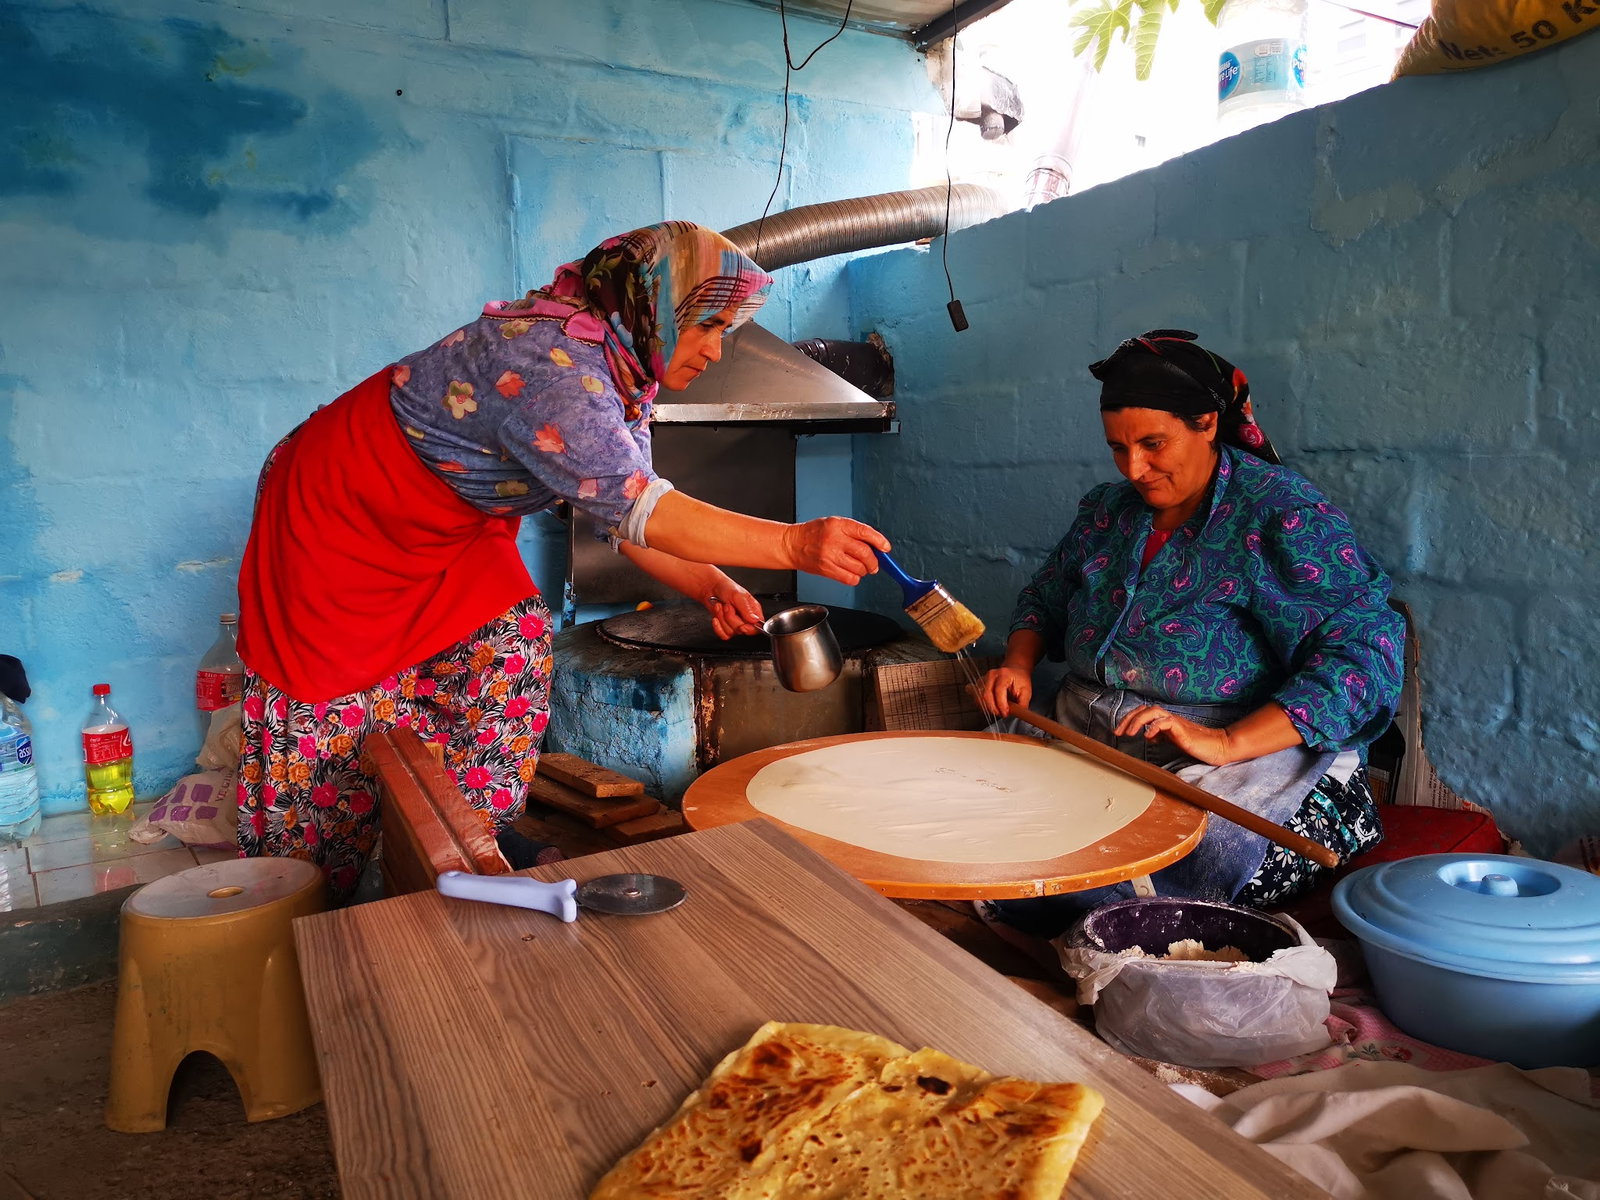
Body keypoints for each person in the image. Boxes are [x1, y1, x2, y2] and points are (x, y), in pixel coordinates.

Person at [236, 221, 889, 900]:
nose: (718, 351)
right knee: (330, 722)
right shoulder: (556, 369)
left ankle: (477, 836)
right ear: (655, 304)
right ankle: (311, 896)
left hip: (446, 524)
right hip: (339, 512)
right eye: (710, 325)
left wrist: (705, 581)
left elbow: (623, 511)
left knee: (509, 641)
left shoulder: (623, 367)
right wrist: (793, 543)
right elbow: (645, 507)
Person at [979, 329, 1404, 938]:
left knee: (1189, 851)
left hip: (1225, 747)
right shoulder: (1109, 509)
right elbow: (1047, 596)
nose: (1135, 468)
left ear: (1207, 422)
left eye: (1153, 444)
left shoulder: (1279, 513)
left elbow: (1365, 659)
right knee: (974, 790)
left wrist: (1225, 742)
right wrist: (1018, 664)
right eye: (1118, 448)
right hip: (1087, 724)